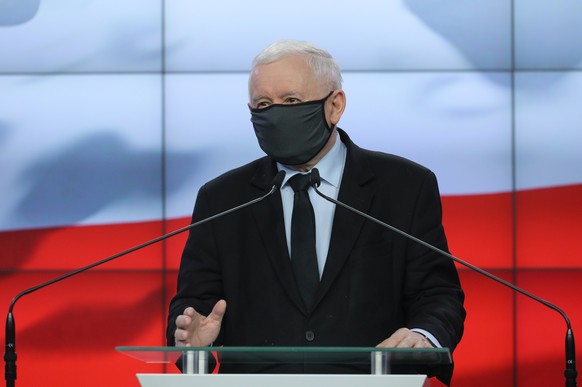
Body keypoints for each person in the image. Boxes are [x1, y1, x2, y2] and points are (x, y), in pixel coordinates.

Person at [167, 40, 465, 385]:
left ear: (335, 105)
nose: (275, 114)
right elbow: (194, 306)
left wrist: (424, 335)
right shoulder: (222, 199)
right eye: (263, 104)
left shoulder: (405, 187)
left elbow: (437, 294)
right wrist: (193, 346)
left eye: (291, 101)